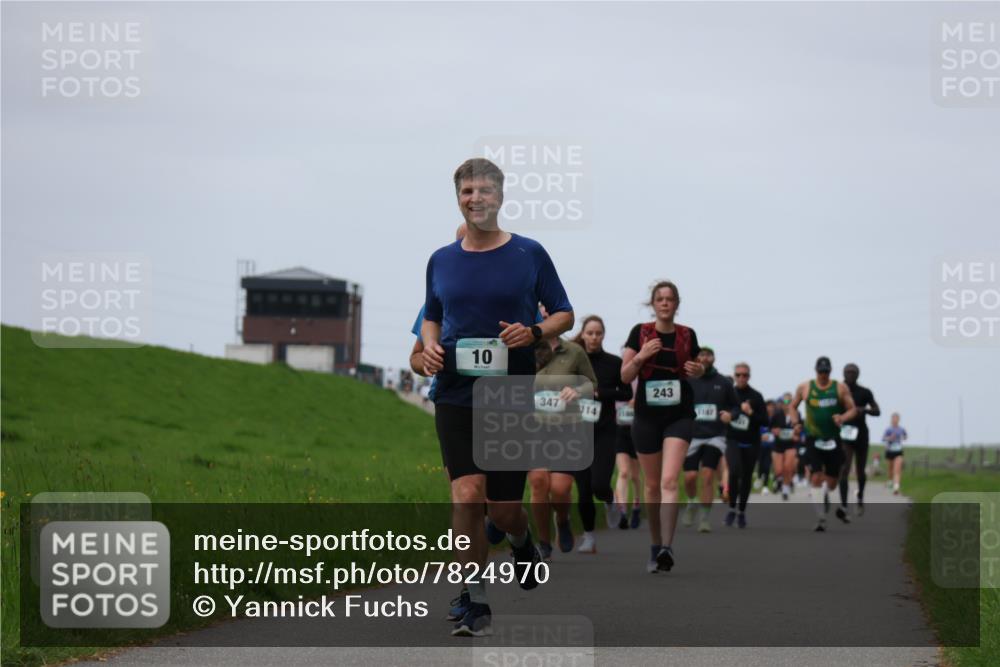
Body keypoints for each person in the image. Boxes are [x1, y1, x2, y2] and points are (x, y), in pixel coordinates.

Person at [421, 158, 574, 636]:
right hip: (454, 392)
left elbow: (565, 314)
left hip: (509, 392)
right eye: (467, 191)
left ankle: (523, 541)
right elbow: (431, 314)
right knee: (467, 494)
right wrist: (428, 346)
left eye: (484, 191)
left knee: (503, 509)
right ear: (458, 198)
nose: (475, 199)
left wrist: (532, 331)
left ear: (500, 197)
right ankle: (478, 600)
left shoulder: (529, 253)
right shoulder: (441, 260)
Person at [621, 281, 705, 573]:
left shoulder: (687, 335)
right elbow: (625, 375)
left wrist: (699, 370)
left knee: (670, 481)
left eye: (670, 299)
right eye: (660, 299)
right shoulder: (640, 332)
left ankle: (668, 547)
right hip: (646, 416)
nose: (665, 303)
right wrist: (642, 355)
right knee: (653, 486)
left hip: (679, 415)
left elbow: (696, 368)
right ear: (653, 304)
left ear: (676, 304)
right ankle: (655, 544)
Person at [529, 316, 598, 559]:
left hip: (567, 427)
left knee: (560, 489)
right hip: (534, 427)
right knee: (538, 482)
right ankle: (544, 541)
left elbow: (592, 385)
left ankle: (563, 518)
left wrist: (577, 390)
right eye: (541, 314)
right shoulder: (525, 350)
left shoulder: (574, 351)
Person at [571, 315, 633, 552]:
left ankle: (610, 501)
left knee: (599, 483)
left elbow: (626, 393)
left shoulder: (613, 363)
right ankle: (589, 537)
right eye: (590, 333)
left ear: (603, 335)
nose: (594, 337)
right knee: (584, 489)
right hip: (577, 432)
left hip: (605, 431)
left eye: (598, 333)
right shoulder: (573, 361)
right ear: (583, 334)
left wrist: (599, 393)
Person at [789, 356, 858, 532]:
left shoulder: (840, 388)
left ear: (830, 372)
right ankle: (821, 518)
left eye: (826, 372)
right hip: (813, 438)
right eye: (820, 371)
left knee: (832, 481)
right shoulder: (805, 387)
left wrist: (842, 417)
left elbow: (853, 410)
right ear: (816, 371)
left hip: (833, 439)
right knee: (816, 476)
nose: (823, 375)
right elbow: (792, 406)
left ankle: (825, 494)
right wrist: (796, 423)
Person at [681, 347, 739, 533]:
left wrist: (731, 415)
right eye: (702, 354)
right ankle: (692, 502)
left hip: (715, 436)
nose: (705, 357)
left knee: (707, 475)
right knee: (690, 477)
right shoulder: (688, 380)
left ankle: (705, 518)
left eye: (708, 354)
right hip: (691, 436)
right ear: (696, 358)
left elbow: (736, 406)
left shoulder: (723, 382)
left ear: (713, 358)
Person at [724, 363, 769, 528]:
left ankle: (741, 512)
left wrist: (751, 413)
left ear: (749, 376)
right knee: (734, 470)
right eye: (738, 375)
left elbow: (765, 421)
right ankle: (731, 509)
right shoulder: (729, 393)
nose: (741, 378)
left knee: (747, 476)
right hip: (733, 439)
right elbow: (721, 413)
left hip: (751, 442)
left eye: (745, 375)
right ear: (734, 376)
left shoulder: (756, 396)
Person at [838, 363, 881, 516]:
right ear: (843, 373)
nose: (850, 374)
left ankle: (860, 497)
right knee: (844, 468)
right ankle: (843, 504)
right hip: (845, 434)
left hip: (862, 434)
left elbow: (877, 411)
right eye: (847, 372)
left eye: (853, 372)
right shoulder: (839, 390)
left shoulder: (865, 392)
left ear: (858, 375)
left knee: (860, 471)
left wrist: (865, 410)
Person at [613, 380, 643, 529]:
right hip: (619, 430)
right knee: (623, 472)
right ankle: (622, 512)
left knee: (635, 475)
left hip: (637, 430)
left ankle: (637, 507)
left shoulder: (641, 379)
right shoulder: (616, 379)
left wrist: (638, 402)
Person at [770, 392, 802, 501]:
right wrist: (775, 430)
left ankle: (785, 489)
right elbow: (770, 427)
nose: (787, 404)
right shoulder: (777, 414)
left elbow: (800, 428)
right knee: (779, 470)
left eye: (790, 401)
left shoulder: (797, 414)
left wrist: (797, 434)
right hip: (778, 445)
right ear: (781, 403)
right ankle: (779, 480)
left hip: (791, 444)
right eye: (784, 402)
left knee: (788, 467)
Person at [882, 413, 908, 494]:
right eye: (893, 418)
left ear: (898, 420)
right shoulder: (888, 429)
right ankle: (890, 481)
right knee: (890, 470)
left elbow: (905, 436)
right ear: (891, 420)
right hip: (889, 451)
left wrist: (903, 437)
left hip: (898, 451)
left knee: (897, 470)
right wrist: (889, 438)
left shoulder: (901, 429)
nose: (895, 420)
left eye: (896, 419)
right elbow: (883, 438)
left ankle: (896, 487)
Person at [756, 400, 776, 494]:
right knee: (760, 465)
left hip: (770, 447)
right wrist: (760, 436)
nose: (770, 408)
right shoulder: (761, 417)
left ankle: (765, 486)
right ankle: (759, 477)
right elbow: (754, 430)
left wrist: (773, 435)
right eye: (769, 406)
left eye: (772, 406)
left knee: (767, 466)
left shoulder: (776, 419)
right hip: (760, 446)